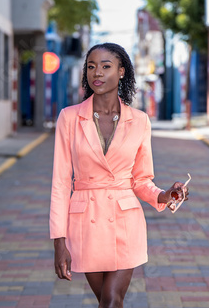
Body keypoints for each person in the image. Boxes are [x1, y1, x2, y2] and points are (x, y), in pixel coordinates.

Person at [50, 42, 189, 308]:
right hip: (85, 223)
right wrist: (59, 242)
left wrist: (164, 194)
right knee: (107, 302)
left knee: (112, 301)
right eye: (91, 67)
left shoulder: (139, 121)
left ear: (122, 71)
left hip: (125, 222)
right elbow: (59, 184)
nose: (97, 73)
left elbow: (140, 179)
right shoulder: (69, 118)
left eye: (105, 66)